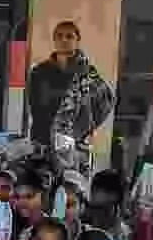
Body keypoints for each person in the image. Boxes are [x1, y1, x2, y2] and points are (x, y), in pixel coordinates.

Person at [26, 21, 113, 174]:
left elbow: (105, 102)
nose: (64, 40)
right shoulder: (40, 72)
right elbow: (35, 107)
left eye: (69, 36)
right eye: (59, 36)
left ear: (77, 40)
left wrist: (82, 128)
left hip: (76, 145)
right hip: (44, 142)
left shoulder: (88, 73)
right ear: (54, 40)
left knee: (73, 184)